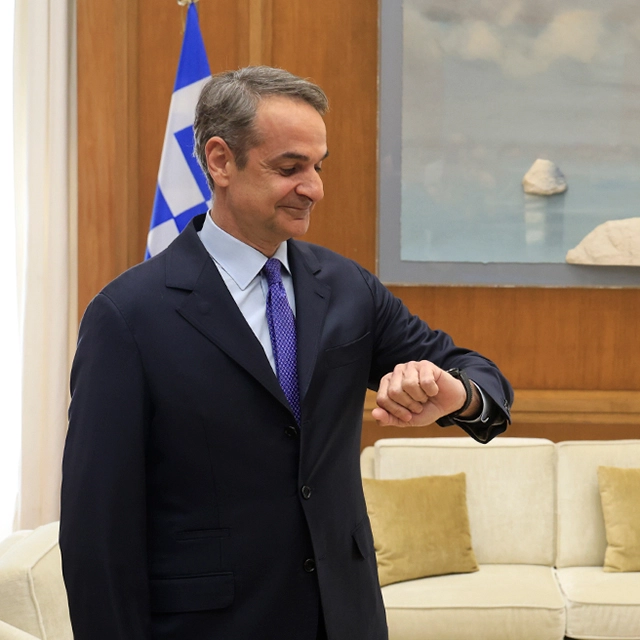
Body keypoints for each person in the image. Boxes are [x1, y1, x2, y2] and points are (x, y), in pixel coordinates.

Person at [60, 66, 513, 640]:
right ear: (221, 161)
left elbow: (481, 377)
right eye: (290, 167)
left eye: (318, 167)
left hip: (345, 619)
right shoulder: (127, 316)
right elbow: (97, 533)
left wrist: (457, 395)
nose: (314, 188)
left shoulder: (348, 288)